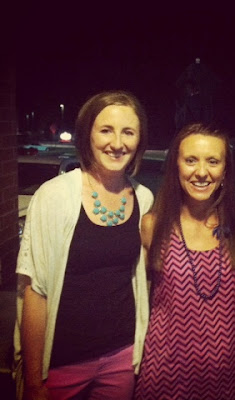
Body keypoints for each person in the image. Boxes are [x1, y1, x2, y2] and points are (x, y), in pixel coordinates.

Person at [14, 90, 153, 400]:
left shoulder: (143, 198)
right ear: (88, 134)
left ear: (139, 140)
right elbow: (35, 290)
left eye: (128, 132)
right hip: (61, 363)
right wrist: (34, 381)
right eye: (106, 130)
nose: (117, 143)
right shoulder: (55, 196)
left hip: (121, 358)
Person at [135, 123, 235, 399]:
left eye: (213, 161)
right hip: (163, 375)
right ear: (176, 166)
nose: (202, 172)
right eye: (191, 160)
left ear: (225, 170)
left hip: (225, 378)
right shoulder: (153, 225)